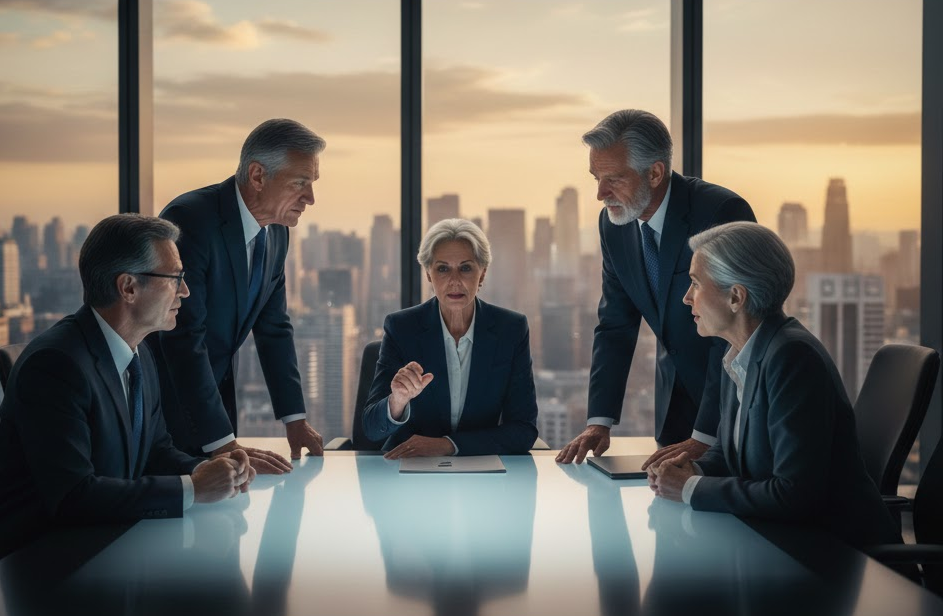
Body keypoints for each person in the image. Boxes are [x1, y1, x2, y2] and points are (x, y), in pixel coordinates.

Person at [0, 215, 256, 549]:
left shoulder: (139, 353)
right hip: (42, 557)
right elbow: (73, 496)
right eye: (175, 278)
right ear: (127, 287)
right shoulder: (56, 366)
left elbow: (155, 452)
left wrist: (211, 468)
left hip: (107, 541)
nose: (185, 290)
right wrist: (193, 489)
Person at [648, 221, 899, 549]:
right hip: (782, 542)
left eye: (695, 283)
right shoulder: (740, 351)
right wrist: (692, 467)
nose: (686, 298)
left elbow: (794, 494)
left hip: (836, 557)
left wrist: (689, 488)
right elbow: (731, 449)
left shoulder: (792, 358)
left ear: (736, 297)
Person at [556, 109, 756, 467]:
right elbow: (616, 323)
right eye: (595, 178)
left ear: (655, 172)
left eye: (613, 179)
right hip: (673, 408)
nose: (600, 194)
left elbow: (732, 333)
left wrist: (705, 435)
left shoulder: (720, 212)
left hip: (732, 410)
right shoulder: (614, 224)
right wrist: (598, 422)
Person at [151, 118, 326, 465]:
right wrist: (222, 443)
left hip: (218, 405)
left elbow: (274, 326)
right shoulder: (192, 219)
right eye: (300, 183)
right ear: (258, 176)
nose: (310, 198)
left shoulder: (276, 232)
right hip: (170, 408)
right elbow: (184, 338)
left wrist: (295, 419)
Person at [362, 218, 538, 457]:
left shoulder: (511, 330)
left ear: (483, 273)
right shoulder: (402, 328)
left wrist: (448, 445)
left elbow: (524, 430)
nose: (454, 281)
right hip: (408, 471)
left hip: (480, 472)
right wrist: (398, 401)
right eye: (443, 269)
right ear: (428, 274)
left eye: (465, 268)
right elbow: (371, 429)